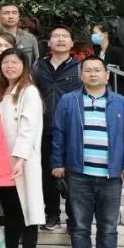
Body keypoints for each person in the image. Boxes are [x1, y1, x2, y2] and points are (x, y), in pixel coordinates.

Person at [52, 56, 124, 248]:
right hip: (79, 173)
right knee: (80, 223)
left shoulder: (121, 103)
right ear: (81, 75)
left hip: (110, 175)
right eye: (88, 70)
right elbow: (59, 133)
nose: (93, 74)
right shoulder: (69, 101)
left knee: (108, 225)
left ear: (106, 75)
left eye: (97, 70)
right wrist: (57, 162)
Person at [0, 48, 45, 248]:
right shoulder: (2, 92)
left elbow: (28, 128)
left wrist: (20, 158)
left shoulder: (28, 92)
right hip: (3, 161)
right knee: (11, 213)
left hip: (22, 162)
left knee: (28, 213)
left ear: (24, 66)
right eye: (5, 63)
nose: (9, 67)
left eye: (14, 62)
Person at [33, 26, 81, 233]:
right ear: (48, 42)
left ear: (72, 43)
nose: (60, 39)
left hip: (72, 130)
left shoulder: (80, 67)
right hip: (43, 128)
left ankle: (73, 217)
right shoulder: (38, 66)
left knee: (73, 175)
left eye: (65, 36)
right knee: (46, 174)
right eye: (56, 36)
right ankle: (51, 214)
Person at [91, 22, 124, 101]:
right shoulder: (97, 51)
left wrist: (108, 71)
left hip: (116, 93)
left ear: (105, 34)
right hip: (101, 94)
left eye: (95, 33)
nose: (93, 35)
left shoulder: (117, 51)